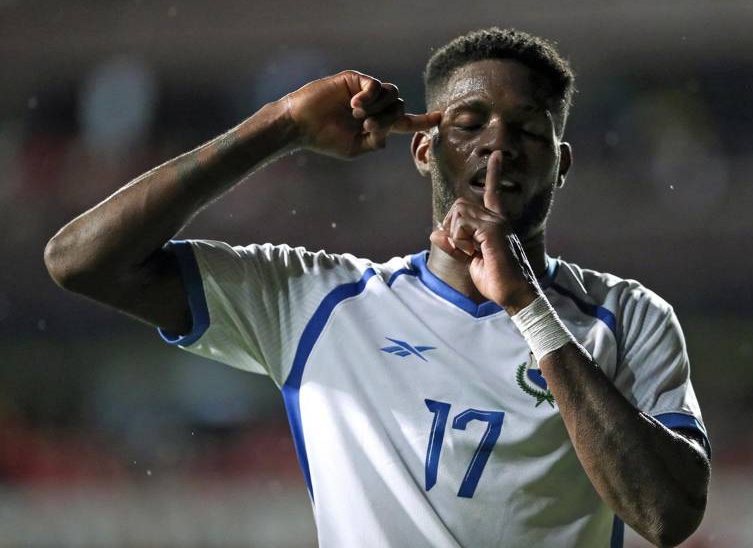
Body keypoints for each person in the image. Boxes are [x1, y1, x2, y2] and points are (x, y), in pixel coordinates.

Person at [45, 28, 710, 547]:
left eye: (528, 130)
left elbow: (667, 514)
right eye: (469, 122)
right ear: (424, 149)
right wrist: (281, 125)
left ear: (559, 164)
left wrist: (527, 308)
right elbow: (81, 260)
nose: (498, 145)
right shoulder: (319, 304)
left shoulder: (628, 317)